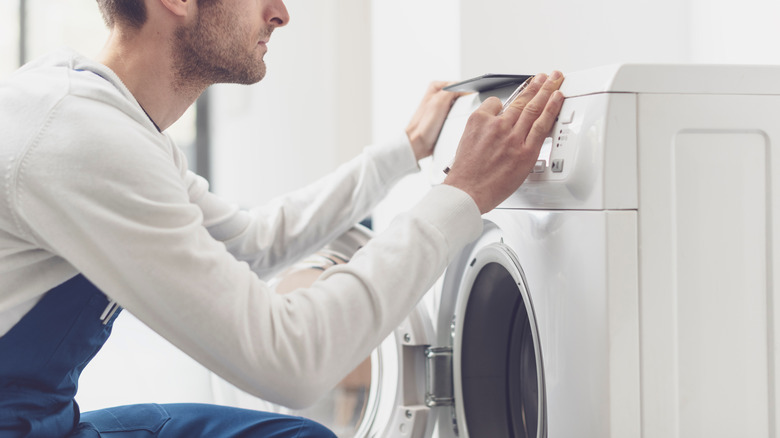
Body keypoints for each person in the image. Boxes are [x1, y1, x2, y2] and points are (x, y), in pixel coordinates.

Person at [0, 0, 565, 436]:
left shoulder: (111, 120)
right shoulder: (79, 137)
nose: (282, 13)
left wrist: (407, 149)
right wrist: (460, 196)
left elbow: (254, 241)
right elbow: (292, 362)